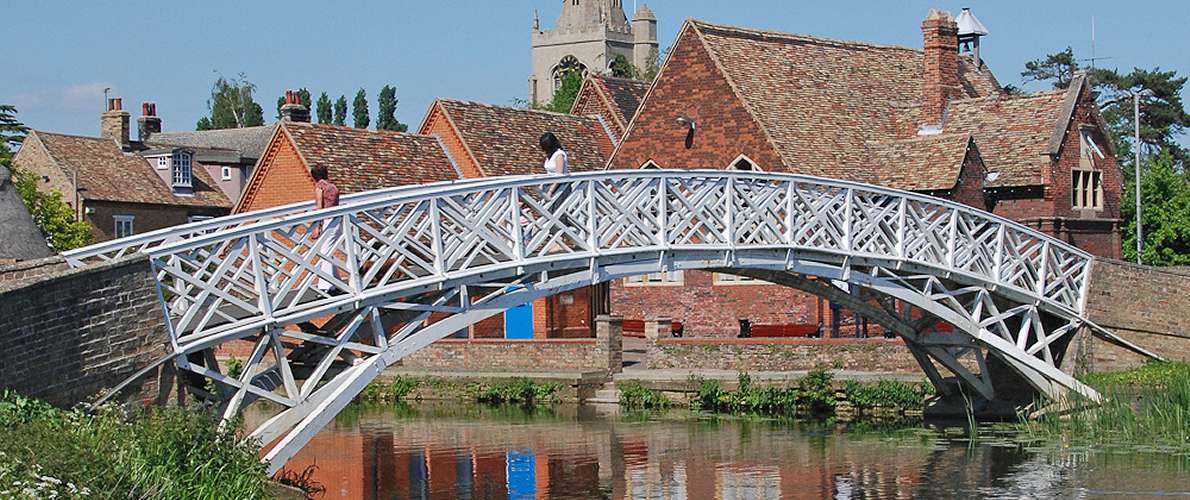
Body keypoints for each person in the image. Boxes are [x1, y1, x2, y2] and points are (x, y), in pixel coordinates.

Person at [311, 165, 341, 293]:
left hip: (328, 221)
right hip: (338, 220)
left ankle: (326, 286)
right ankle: (336, 282)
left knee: (325, 253)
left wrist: (316, 226)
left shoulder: (319, 187)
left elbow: (319, 208)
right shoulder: (333, 186)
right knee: (329, 251)